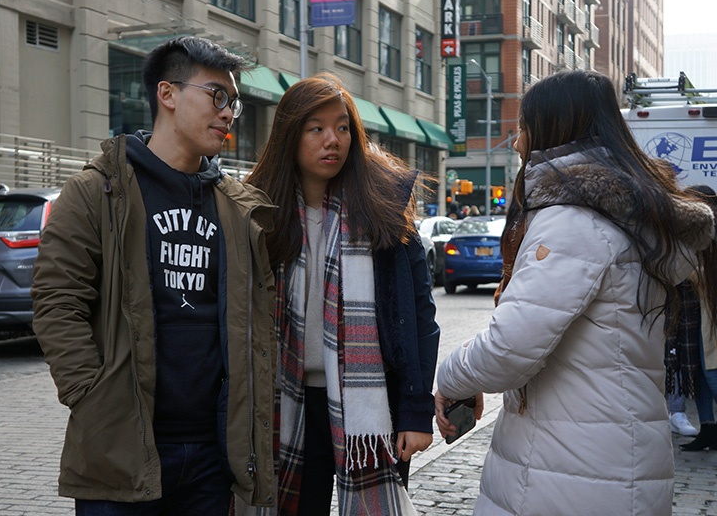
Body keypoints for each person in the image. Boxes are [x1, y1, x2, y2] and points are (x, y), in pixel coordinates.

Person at [434, 70, 717, 516]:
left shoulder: (572, 221)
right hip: (606, 459)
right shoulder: (625, 218)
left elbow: (511, 346)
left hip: (569, 470)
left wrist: (450, 377)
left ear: (553, 130)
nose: (515, 143)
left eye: (524, 128)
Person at [31, 36, 278, 515]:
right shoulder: (97, 192)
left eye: (235, 103)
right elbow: (56, 302)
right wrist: (92, 397)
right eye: (217, 96)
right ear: (167, 94)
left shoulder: (233, 205)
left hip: (211, 455)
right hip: (122, 450)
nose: (228, 113)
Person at [244, 74, 440, 515]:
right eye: (316, 128)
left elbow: (419, 317)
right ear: (290, 136)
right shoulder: (256, 214)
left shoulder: (384, 207)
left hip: (372, 408)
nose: (332, 139)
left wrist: (415, 410)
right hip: (285, 403)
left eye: (343, 126)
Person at [671, 185, 717, 451]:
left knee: (711, 375)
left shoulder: (711, 236)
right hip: (692, 318)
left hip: (709, 317)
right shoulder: (691, 236)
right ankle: (709, 429)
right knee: (697, 374)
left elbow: (701, 276)